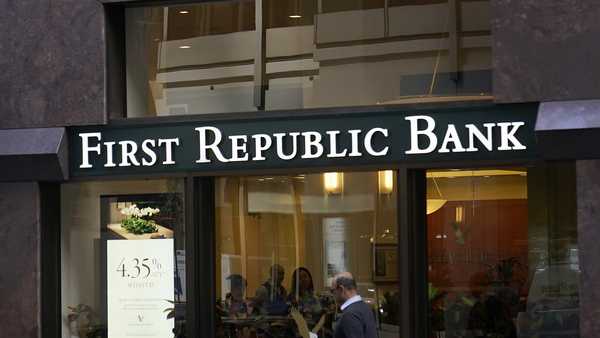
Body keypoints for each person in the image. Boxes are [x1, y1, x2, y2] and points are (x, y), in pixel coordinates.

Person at [330, 272, 377, 338]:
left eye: (332, 291)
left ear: (341, 289)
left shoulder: (349, 315)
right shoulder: (365, 307)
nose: (332, 295)